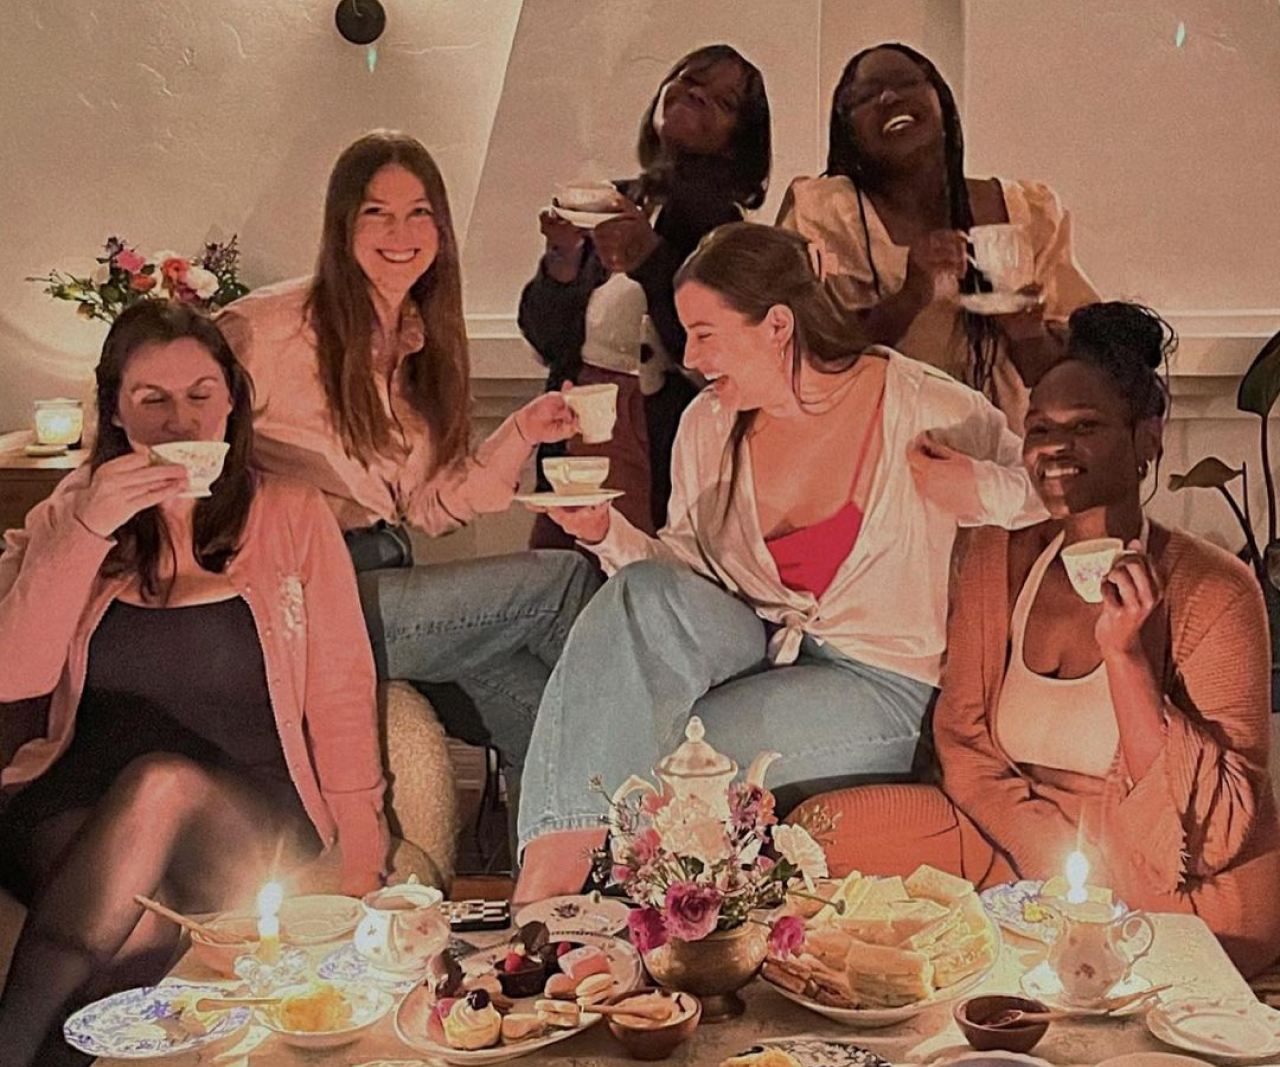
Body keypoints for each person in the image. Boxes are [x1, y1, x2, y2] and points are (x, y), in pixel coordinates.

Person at [513, 222, 1046, 902]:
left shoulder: (924, 406)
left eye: (707, 333)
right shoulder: (709, 424)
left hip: (881, 682)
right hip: (754, 643)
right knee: (641, 589)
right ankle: (553, 895)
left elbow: (1056, 489)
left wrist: (979, 488)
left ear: (777, 325)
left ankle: (561, 910)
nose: (694, 356)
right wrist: (605, 532)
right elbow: (683, 573)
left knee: (673, 757)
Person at [792, 303, 1280, 977]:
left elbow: (1219, 832)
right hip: (1015, 844)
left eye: (1085, 427)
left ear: (1147, 439)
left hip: (1165, 878)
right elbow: (963, 746)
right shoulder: (996, 557)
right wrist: (1045, 870)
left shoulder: (1214, 591)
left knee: (1110, 962)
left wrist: (1126, 659)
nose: (1053, 447)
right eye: (1039, 428)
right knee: (819, 835)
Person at [0, 303, 386, 1066]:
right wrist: (86, 529)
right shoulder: (71, 514)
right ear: (114, 408)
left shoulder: (292, 515)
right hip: (78, 801)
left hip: (243, 815)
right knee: (139, 923)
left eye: (201, 394)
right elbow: (17, 673)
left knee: (163, 786)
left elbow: (341, 690)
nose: (180, 419)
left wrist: (364, 852)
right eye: (152, 400)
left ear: (233, 400)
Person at [218, 131, 601, 784]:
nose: (401, 231)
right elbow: (176, 433)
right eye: (377, 212)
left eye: (419, 212)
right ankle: (657, 773)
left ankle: (557, 872)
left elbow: (431, 506)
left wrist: (522, 431)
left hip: (383, 576)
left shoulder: (424, 338)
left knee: (537, 706)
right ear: (343, 223)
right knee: (563, 582)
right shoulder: (266, 330)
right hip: (297, 597)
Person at [519, 43, 771, 546]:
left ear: (736, 143)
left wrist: (650, 259)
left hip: (654, 443)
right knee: (560, 575)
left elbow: (713, 356)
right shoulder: (615, 200)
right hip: (576, 426)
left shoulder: (725, 230)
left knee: (628, 577)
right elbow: (548, 340)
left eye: (721, 101)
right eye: (687, 78)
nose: (695, 95)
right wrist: (562, 261)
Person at [777, 42, 1098, 432]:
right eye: (864, 96)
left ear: (942, 101)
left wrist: (1027, 333)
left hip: (1002, 461)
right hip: (875, 462)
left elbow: (1064, 378)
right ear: (846, 130)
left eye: (904, 83)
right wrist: (910, 295)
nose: (888, 96)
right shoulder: (824, 214)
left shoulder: (1028, 211)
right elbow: (805, 359)